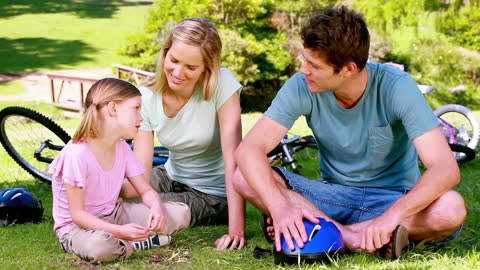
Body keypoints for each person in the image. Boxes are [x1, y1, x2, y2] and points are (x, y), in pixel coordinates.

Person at [233, 5, 466, 258]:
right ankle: (356, 238)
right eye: (304, 60)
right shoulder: (301, 85)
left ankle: (329, 234)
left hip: (394, 198)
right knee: (242, 177)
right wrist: (279, 207)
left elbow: (445, 168)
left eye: (314, 65)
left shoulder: (397, 87)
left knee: (450, 208)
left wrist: (391, 217)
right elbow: (249, 150)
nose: (304, 70)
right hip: (331, 198)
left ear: (349, 69)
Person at [120, 18, 245, 250]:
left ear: (207, 68)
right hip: (171, 175)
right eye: (174, 60)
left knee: (141, 211)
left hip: (212, 195)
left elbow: (234, 163)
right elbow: (140, 174)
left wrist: (236, 231)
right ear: (165, 53)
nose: (178, 72)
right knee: (111, 195)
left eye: (191, 67)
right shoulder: (146, 97)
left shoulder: (222, 84)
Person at [49, 78, 190, 263]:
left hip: (115, 214)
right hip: (78, 228)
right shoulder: (76, 154)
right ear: (113, 109)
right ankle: (134, 243)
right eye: (136, 109)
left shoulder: (121, 147)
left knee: (182, 213)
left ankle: (126, 241)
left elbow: (145, 190)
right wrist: (121, 231)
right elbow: (78, 216)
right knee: (100, 247)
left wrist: (156, 207)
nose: (141, 118)